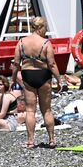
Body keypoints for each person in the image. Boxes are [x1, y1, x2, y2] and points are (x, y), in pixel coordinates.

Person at [15, 16, 64, 149]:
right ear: (41, 27)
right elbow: (52, 64)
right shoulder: (46, 43)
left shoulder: (21, 42)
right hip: (43, 76)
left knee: (30, 110)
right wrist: (59, 80)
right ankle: (52, 140)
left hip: (28, 76)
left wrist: (13, 78)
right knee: (47, 110)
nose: (46, 31)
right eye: (45, 28)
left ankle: (31, 141)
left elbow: (15, 63)